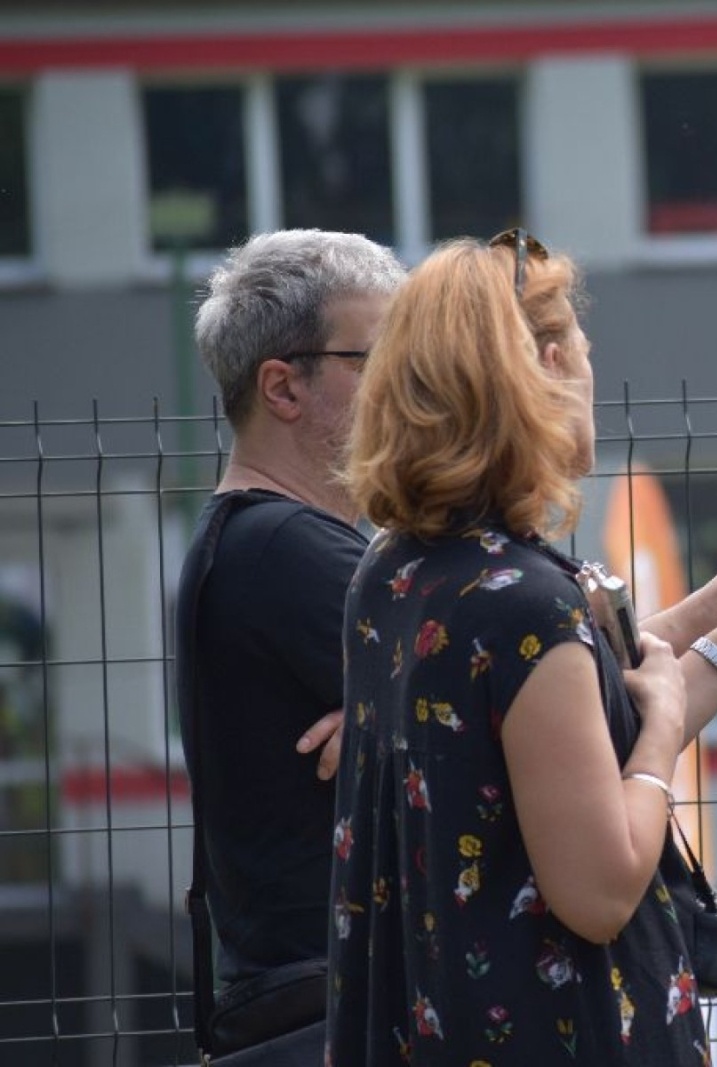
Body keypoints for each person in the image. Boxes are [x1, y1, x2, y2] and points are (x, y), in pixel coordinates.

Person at [327, 230, 717, 1064]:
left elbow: (568, 718)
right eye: (584, 349)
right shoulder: (527, 605)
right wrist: (664, 724)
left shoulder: (397, 571)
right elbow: (602, 889)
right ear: (551, 361)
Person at [176, 231, 406, 1007]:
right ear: (282, 387)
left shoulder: (256, 539)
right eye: (379, 358)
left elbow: (526, 685)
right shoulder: (287, 547)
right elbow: (548, 713)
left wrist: (398, 714)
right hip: (335, 1004)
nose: (411, 383)